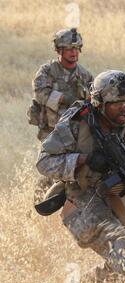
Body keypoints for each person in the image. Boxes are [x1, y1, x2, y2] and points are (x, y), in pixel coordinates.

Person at [36, 70, 125, 283]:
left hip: (117, 200)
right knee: (124, 254)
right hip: (81, 203)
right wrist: (84, 159)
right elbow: (44, 162)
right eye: (117, 102)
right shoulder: (76, 123)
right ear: (100, 103)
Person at [29, 28, 93, 202]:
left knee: (75, 170)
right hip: (51, 131)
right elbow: (40, 93)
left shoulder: (85, 75)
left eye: (76, 48)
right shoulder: (48, 71)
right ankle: (39, 205)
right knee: (50, 171)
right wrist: (66, 99)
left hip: (75, 133)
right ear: (59, 50)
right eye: (68, 48)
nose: (73, 52)